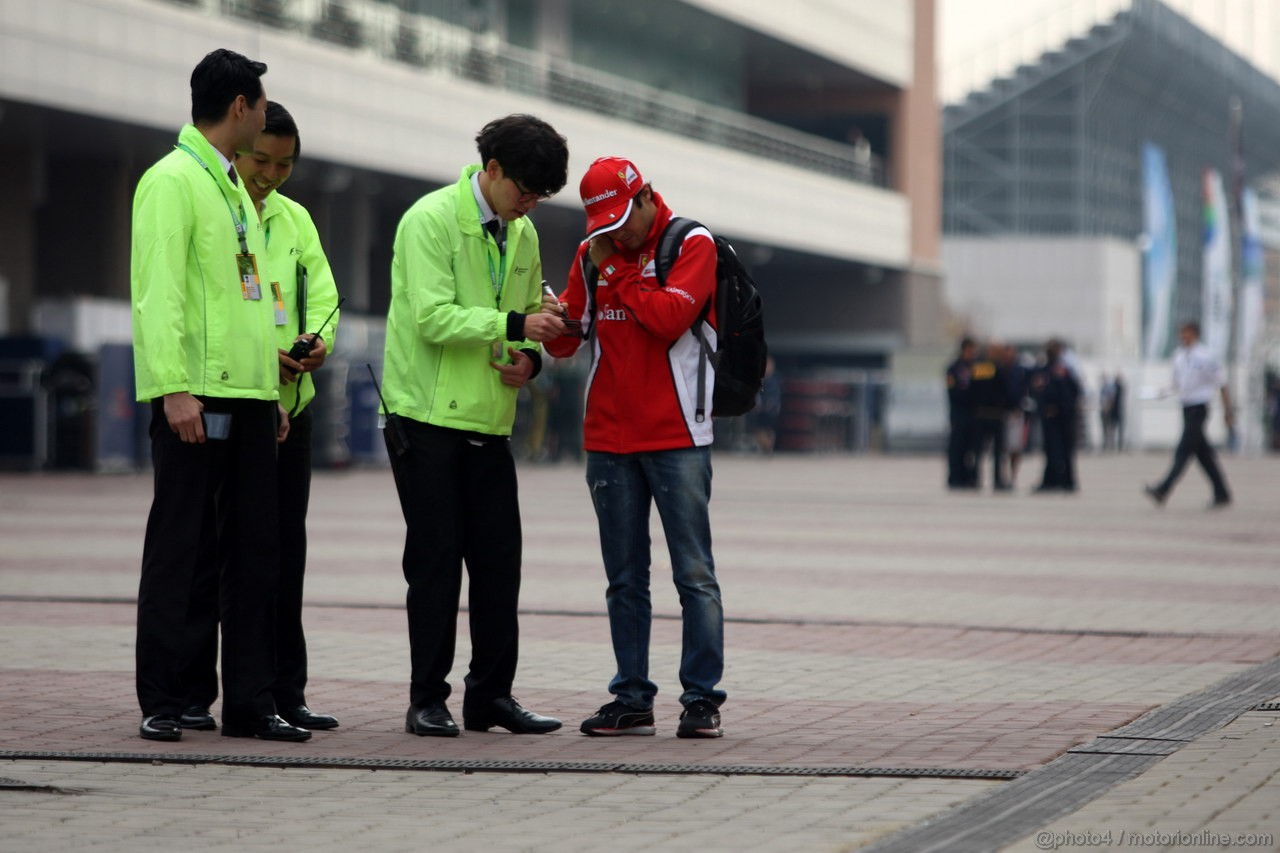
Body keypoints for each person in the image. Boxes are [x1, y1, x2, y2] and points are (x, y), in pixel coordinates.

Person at [132, 49, 309, 742]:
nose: (265, 114)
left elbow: (250, 303)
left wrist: (273, 394)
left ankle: (248, 700)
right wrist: (173, 389)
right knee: (182, 547)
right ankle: (166, 695)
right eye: (261, 104)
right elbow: (159, 296)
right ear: (241, 106)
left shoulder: (232, 188)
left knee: (255, 553)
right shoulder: (172, 180)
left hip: (249, 397)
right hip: (194, 399)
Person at [381, 114, 568, 737]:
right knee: (435, 564)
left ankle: (491, 696)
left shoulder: (523, 232)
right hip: (425, 419)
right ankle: (425, 699)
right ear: (491, 170)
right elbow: (432, 317)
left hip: (490, 420)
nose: (530, 206)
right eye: (525, 191)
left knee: (497, 565)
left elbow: (527, 313)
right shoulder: (429, 220)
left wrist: (530, 358)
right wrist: (513, 329)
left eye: (541, 197)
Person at [545, 156, 727, 739]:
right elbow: (569, 344)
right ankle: (631, 697)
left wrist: (618, 273)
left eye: (623, 221)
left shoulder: (692, 243)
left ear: (647, 195)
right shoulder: (590, 252)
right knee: (624, 578)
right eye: (603, 226)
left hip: (677, 437)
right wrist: (550, 324)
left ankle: (701, 700)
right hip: (607, 438)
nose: (615, 235)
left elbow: (670, 318)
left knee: (693, 574)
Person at [179, 102, 343, 735]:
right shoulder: (216, 208)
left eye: (285, 164)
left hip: (287, 409)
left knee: (280, 556)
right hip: (229, 401)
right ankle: (194, 692)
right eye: (261, 160)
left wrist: (315, 341)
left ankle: (281, 689)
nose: (272, 174)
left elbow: (322, 294)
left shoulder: (296, 219)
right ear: (238, 148)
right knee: (209, 550)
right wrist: (254, 355)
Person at [1145, 322, 1232, 508]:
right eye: (1181, 333)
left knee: (1183, 451)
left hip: (1199, 408)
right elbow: (1177, 384)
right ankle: (1222, 492)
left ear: (1195, 333)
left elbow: (1222, 383)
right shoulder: (1178, 356)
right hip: (1186, 408)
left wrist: (1228, 410)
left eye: (1186, 333)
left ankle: (1163, 489)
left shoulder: (1206, 356)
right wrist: (1161, 392)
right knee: (1203, 455)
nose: (1183, 336)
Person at [1030, 338, 1080, 493]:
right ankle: (1051, 480)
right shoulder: (1044, 370)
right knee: (1051, 450)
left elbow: (1072, 392)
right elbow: (1036, 390)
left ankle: (1067, 481)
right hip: (1048, 417)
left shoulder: (1063, 370)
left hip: (1062, 417)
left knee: (1064, 450)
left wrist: (1061, 408)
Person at [970, 341, 1009, 490]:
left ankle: (976, 478)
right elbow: (1005, 390)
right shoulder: (999, 368)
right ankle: (996, 479)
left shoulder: (980, 367)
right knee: (993, 450)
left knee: (981, 450)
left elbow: (973, 389)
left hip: (983, 413)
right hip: (994, 414)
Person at [945, 337, 978, 489]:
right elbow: (953, 392)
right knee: (956, 447)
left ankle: (970, 477)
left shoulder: (978, 367)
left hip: (974, 413)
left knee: (972, 448)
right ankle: (955, 477)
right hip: (959, 413)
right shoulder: (953, 368)